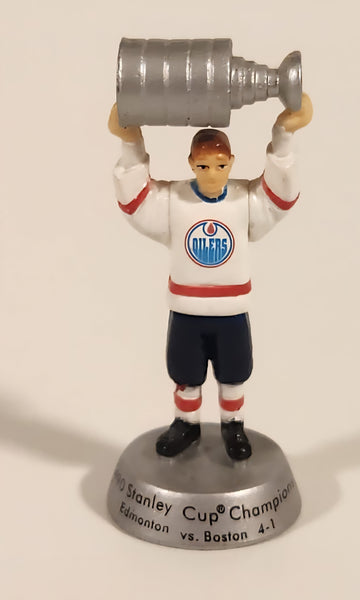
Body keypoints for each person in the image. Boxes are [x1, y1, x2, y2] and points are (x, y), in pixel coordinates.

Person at [108, 95, 313, 460]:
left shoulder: (243, 200)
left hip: (230, 312)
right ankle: (186, 424)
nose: (213, 173)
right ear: (191, 163)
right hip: (187, 311)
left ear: (231, 162)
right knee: (185, 374)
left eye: (220, 165)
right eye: (203, 166)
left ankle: (233, 425)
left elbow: (279, 197)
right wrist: (130, 142)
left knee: (234, 375)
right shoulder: (175, 201)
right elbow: (137, 202)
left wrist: (284, 135)